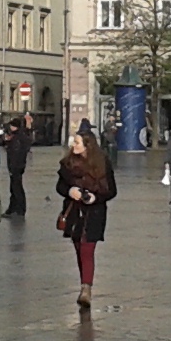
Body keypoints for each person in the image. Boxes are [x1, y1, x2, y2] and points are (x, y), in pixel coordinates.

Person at [56, 130, 116, 311]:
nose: (74, 145)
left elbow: (111, 190)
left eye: (77, 142)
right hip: (74, 212)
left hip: (94, 213)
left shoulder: (102, 163)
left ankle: (86, 289)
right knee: (78, 249)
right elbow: (60, 185)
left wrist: (95, 198)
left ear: (87, 145)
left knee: (87, 249)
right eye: (74, 142)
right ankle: (85, 283)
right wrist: (70, 191)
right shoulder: (67, 164)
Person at [3, 118, 34, 219]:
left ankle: (19, 209)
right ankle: (13, 209)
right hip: (18, 166)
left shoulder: (17, 138)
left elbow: (15, 154)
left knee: (16, 188)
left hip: (16, 166)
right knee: (14, 188)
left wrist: (12, 168)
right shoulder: (20, 136)